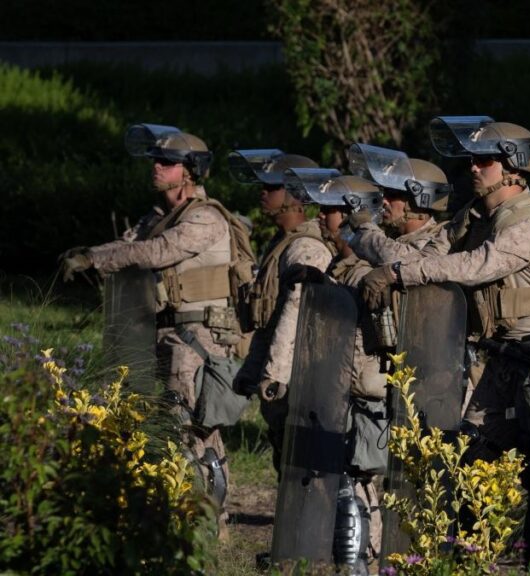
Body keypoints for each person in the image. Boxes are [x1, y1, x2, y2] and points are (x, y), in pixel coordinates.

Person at [360, 117, 530, 570]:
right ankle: (471, 560)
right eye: (471, 159)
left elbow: (478, 267)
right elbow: (422, 256)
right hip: (503, 359)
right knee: (470, 457)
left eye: (484, 160)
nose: (473, 168)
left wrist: (399, 274)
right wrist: (370, 243)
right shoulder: (478, 217)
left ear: (514, 167)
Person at [60, 123, 239, 535]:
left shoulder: (205, 218)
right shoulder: (159, 216)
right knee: (167, 424)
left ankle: (212, 521)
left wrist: (96, 260)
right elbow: (129, 243)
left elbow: (156, 252)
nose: (156, 166)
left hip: (196, 338)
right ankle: (182, 513)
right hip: (163, 333)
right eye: (156, 160)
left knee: (191, 427)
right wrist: (89, 254)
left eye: (167, 162)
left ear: (189, 171)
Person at [284, 167, 389, 572]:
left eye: (329, 211)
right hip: (337, 393)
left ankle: (365, 565)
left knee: (359, 486)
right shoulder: (339, 270)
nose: (321, 218)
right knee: (344, 484)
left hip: (364, 394)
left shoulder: (365, 274)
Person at [226, 149, 328, 475]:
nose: (263, 193)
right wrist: (252, 370)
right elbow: (268, 321)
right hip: (283, 376)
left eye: (272, 188)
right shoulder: (281, 244)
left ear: (296, 196)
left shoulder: (305, 248)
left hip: (301, 378)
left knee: (303, 469)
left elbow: (295, 317)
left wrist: (274, 375)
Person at [346, 143, 452, 263]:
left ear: (419, 201)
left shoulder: (436, 240)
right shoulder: (395, 237)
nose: (384, 201)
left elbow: (403, 261)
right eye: (384, 194)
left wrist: (364, 227)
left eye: (393, 194)